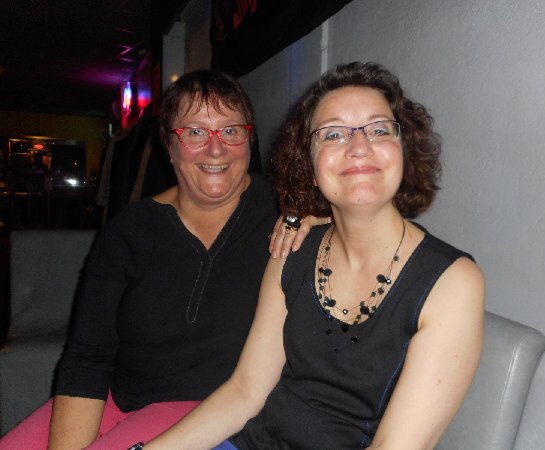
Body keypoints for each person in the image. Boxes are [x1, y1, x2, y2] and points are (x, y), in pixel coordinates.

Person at [138, 61, 486, 450]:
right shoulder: (293, 249)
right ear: (309, 163)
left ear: (404, 148)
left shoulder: (452, 283)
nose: (359, 147)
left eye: (378, 129)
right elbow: (245, 392)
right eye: (333, 134)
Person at [0, 70, 324, 450]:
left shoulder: (286, 211)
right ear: (169, 146)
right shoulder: (128, 230)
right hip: (119, 399)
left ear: (249, 139)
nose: (216, 149)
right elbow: (87, 358)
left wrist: (317, 219)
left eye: (231, 130)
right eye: (195, 132)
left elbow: (358, 219)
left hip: (213, 411)